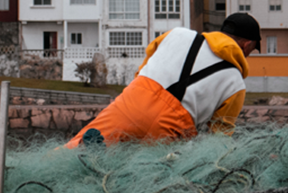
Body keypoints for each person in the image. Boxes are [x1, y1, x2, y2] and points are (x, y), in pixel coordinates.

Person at [66, 13, 261, 148]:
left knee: (77, 149)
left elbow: (146, 65)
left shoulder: (177, 34)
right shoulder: (236, 84)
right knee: (142, 178)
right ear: (246, 45)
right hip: (171, 129)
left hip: (133, 102)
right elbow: (219, 136)